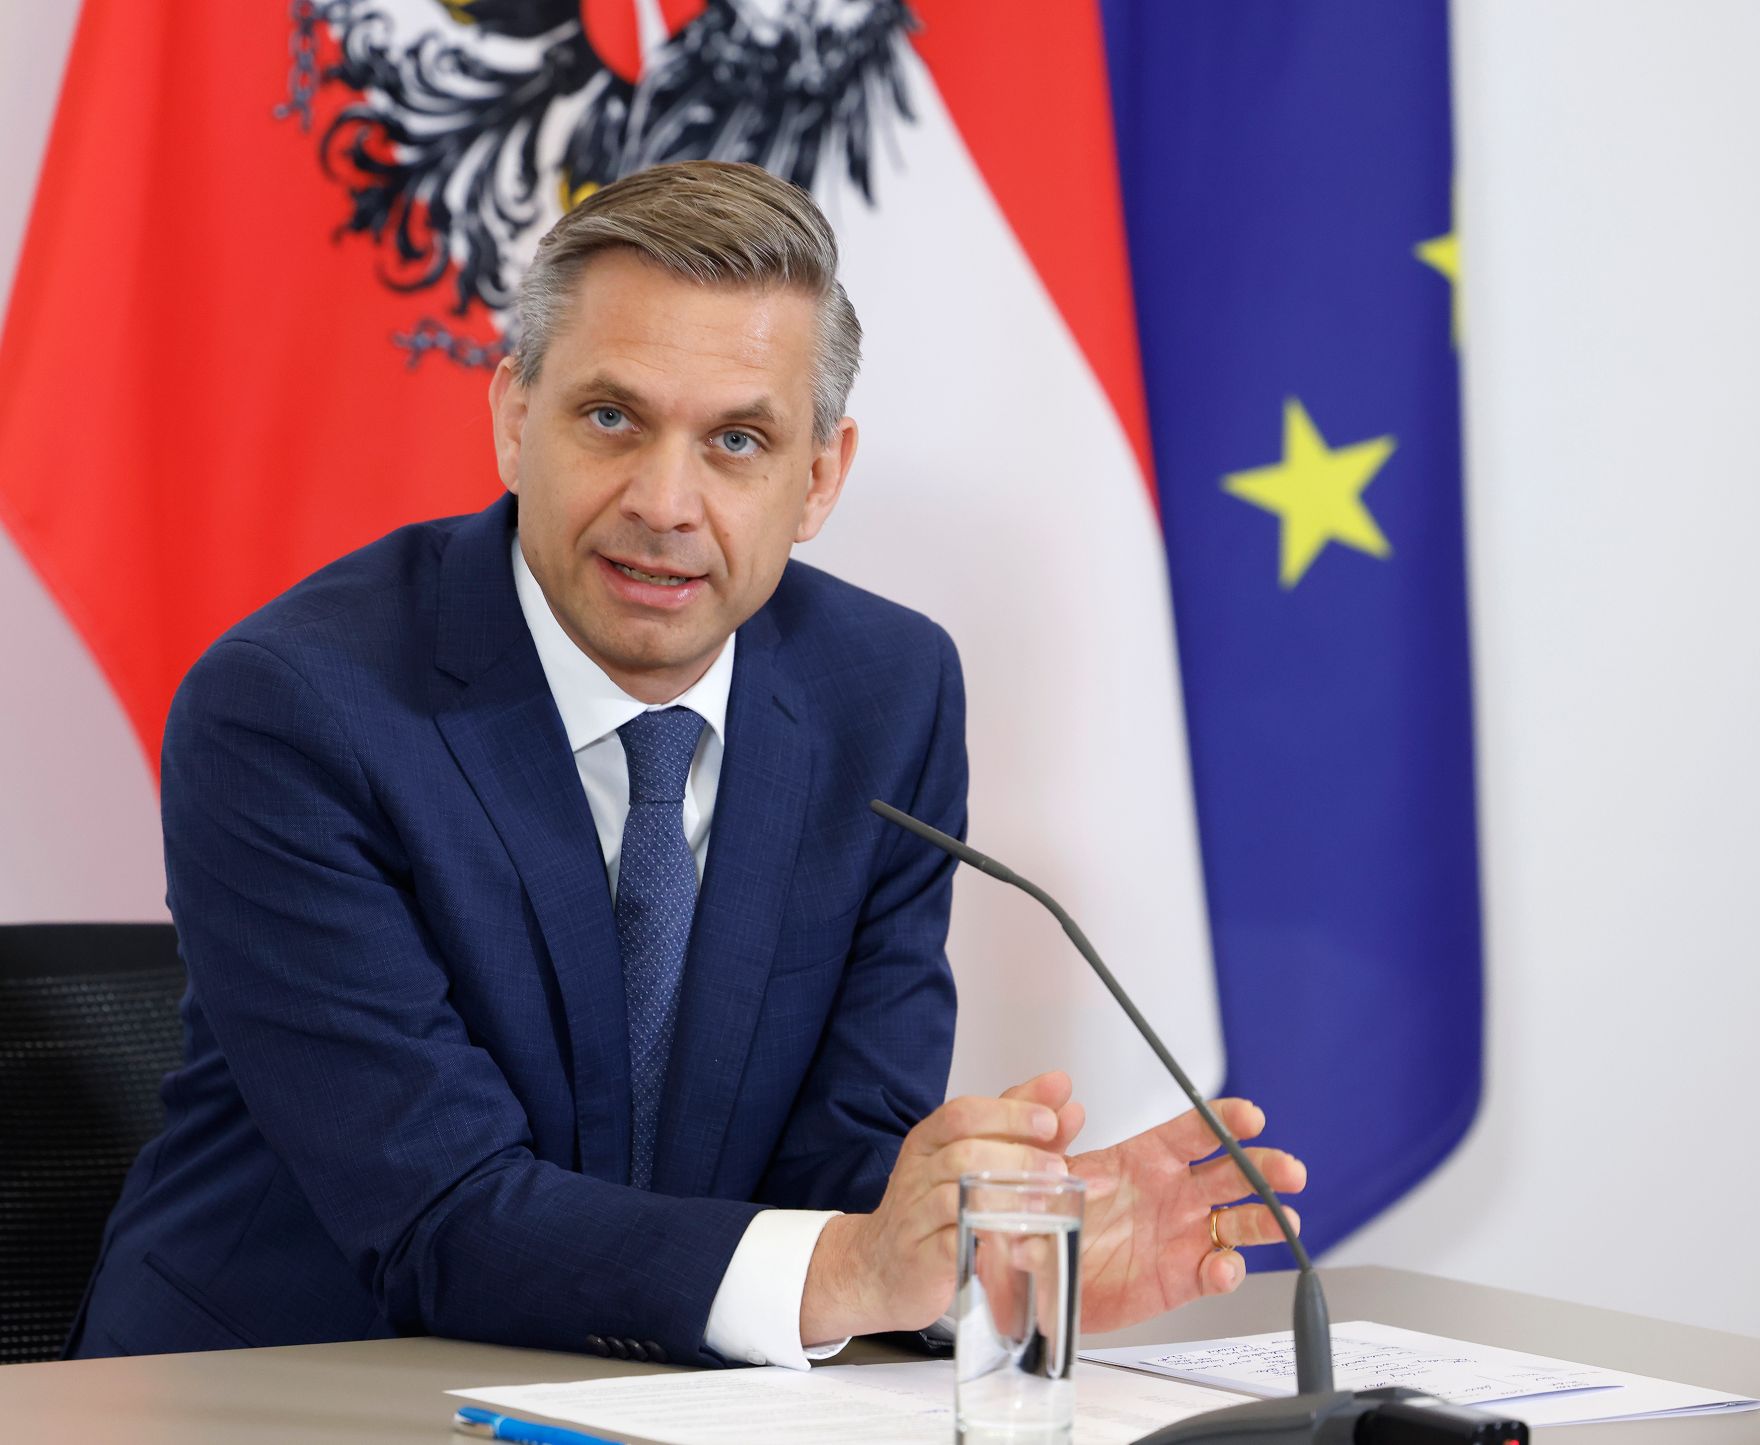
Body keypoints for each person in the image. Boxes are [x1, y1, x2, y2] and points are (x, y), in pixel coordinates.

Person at [68, 161, 1304, 1366]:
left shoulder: (884, 691)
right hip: (285, 1383)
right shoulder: (296, 708)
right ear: (512, 418)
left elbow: (839, 1149)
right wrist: (845, 1270)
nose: (663, 500)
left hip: (665, 1394)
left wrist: (985, 1251)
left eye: (736, 441)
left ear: (817, 477)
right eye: (611, 418)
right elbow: (435, 1208)